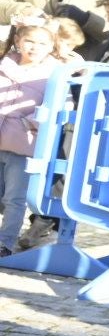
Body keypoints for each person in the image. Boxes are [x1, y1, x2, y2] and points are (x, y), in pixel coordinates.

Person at [0, 22, 58, 257]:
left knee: (15, 198)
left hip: (24, 143)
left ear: (51, 46)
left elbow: (60, 107)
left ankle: (5, 243)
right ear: (18, 41)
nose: (35, 47)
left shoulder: (55, 73)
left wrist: (29, 123)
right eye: (30, 41)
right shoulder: (5, 63)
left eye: (42, 43)